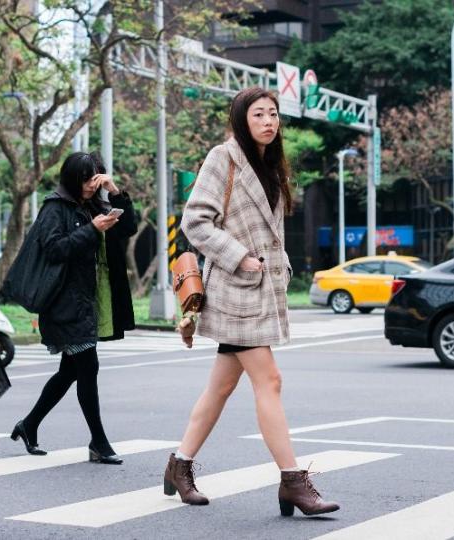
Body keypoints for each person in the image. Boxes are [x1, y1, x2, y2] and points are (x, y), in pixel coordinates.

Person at [163, 87, 340, 516]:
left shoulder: (269, 165)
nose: (268, 121)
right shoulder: (222, 157)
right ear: (242, 119)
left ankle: (178, 465)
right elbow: (195, 220)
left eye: (274, 114)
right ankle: (293, 482)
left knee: (221, 387)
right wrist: (240, 256)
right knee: (270, 380)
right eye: (258, 114)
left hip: (259, 289)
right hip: (235, 290)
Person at [10, 151, 136, 464]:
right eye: (85, 179)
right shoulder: (56, 207)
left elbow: (128, 228)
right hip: (63, 302)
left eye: (95, 178)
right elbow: (53, 250)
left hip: (87, 301)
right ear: (71, 178)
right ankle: (99, 442)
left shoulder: (96, 204)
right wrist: (92, 229)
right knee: (87, 367)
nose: (91, 185)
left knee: (70, 370)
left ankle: (29, 425)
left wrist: (116, 191)